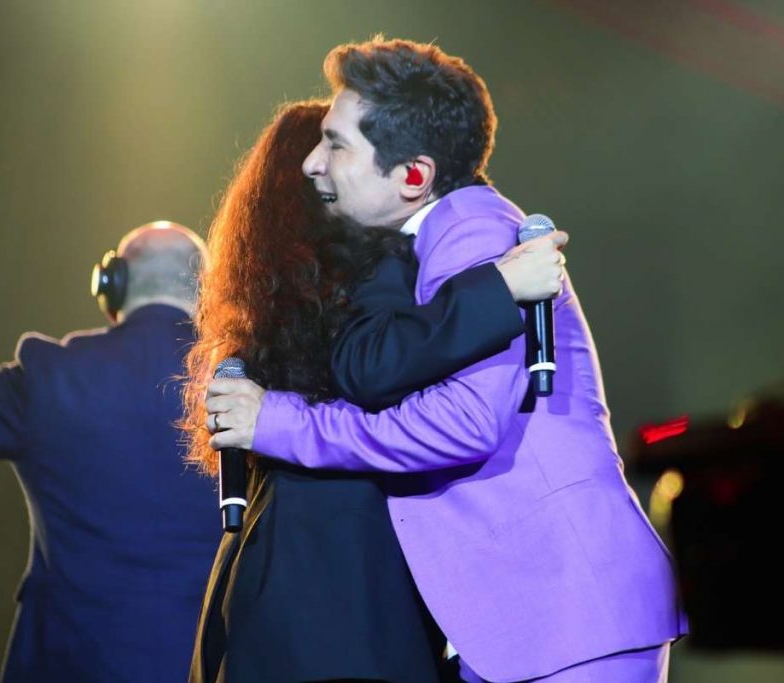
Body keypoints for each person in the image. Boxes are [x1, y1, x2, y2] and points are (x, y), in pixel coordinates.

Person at [206, 38, 688, 682]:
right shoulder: (437, 240)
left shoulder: (473, 233)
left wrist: (284, 424)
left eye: (337, 144)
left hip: (562, 609)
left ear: (413, 176)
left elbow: (462, 424)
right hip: (530, 615)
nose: (312, 164)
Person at [181, 100, 567, 683]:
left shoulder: (273, 305)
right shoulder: (377, 273)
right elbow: (381, 368)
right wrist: (497, 289)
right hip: (351, 587)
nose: (326, 163)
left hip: (264, 575)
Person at [0, 222, 223, 682]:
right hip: (204, 663)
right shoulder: (246, 386)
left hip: (69, 662)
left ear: (111, 284)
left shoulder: (50, 377)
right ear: (210, 290)